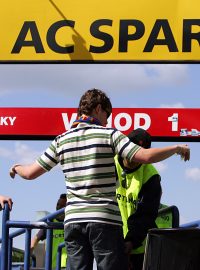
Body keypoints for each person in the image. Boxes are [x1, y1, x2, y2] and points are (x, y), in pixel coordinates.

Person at [9, 88, 190, 270]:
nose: (107, 120)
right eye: (107, 114)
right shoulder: (110, 135)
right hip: (104, 220)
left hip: (73, 221)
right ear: (97, 109)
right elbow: (145, 156)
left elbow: (30, 173)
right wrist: (176, 148)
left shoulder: (61, 140)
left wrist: (16, 167)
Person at [115, 128, 162, 270]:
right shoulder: (109, 163)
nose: (135, 159)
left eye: (140, 155)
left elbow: (147, 213)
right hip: (109, 243)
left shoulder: (151, 175)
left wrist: (131, 241)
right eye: (132, 152)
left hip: (138, 247)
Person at [31, 193, 68, 270]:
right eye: (58, 205)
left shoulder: (70, 222)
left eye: (62, 206)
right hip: (52, 265)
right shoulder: (50, 222)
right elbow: (36, 238)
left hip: (68, 265)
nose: (58, 207)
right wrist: (29, 253)